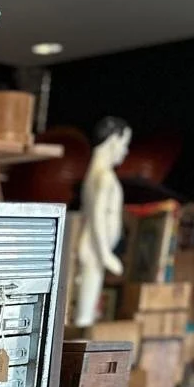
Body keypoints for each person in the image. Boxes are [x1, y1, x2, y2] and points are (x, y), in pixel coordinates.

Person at [73, 115, 132, 327]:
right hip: (94, 250)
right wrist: (105, 254)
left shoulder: (95, 174)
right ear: (114, 140)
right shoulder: (104, 177)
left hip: (94, 249)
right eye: (124, 144)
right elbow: (97, 215)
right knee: (84, 316)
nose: (125, 151)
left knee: (86, 311)